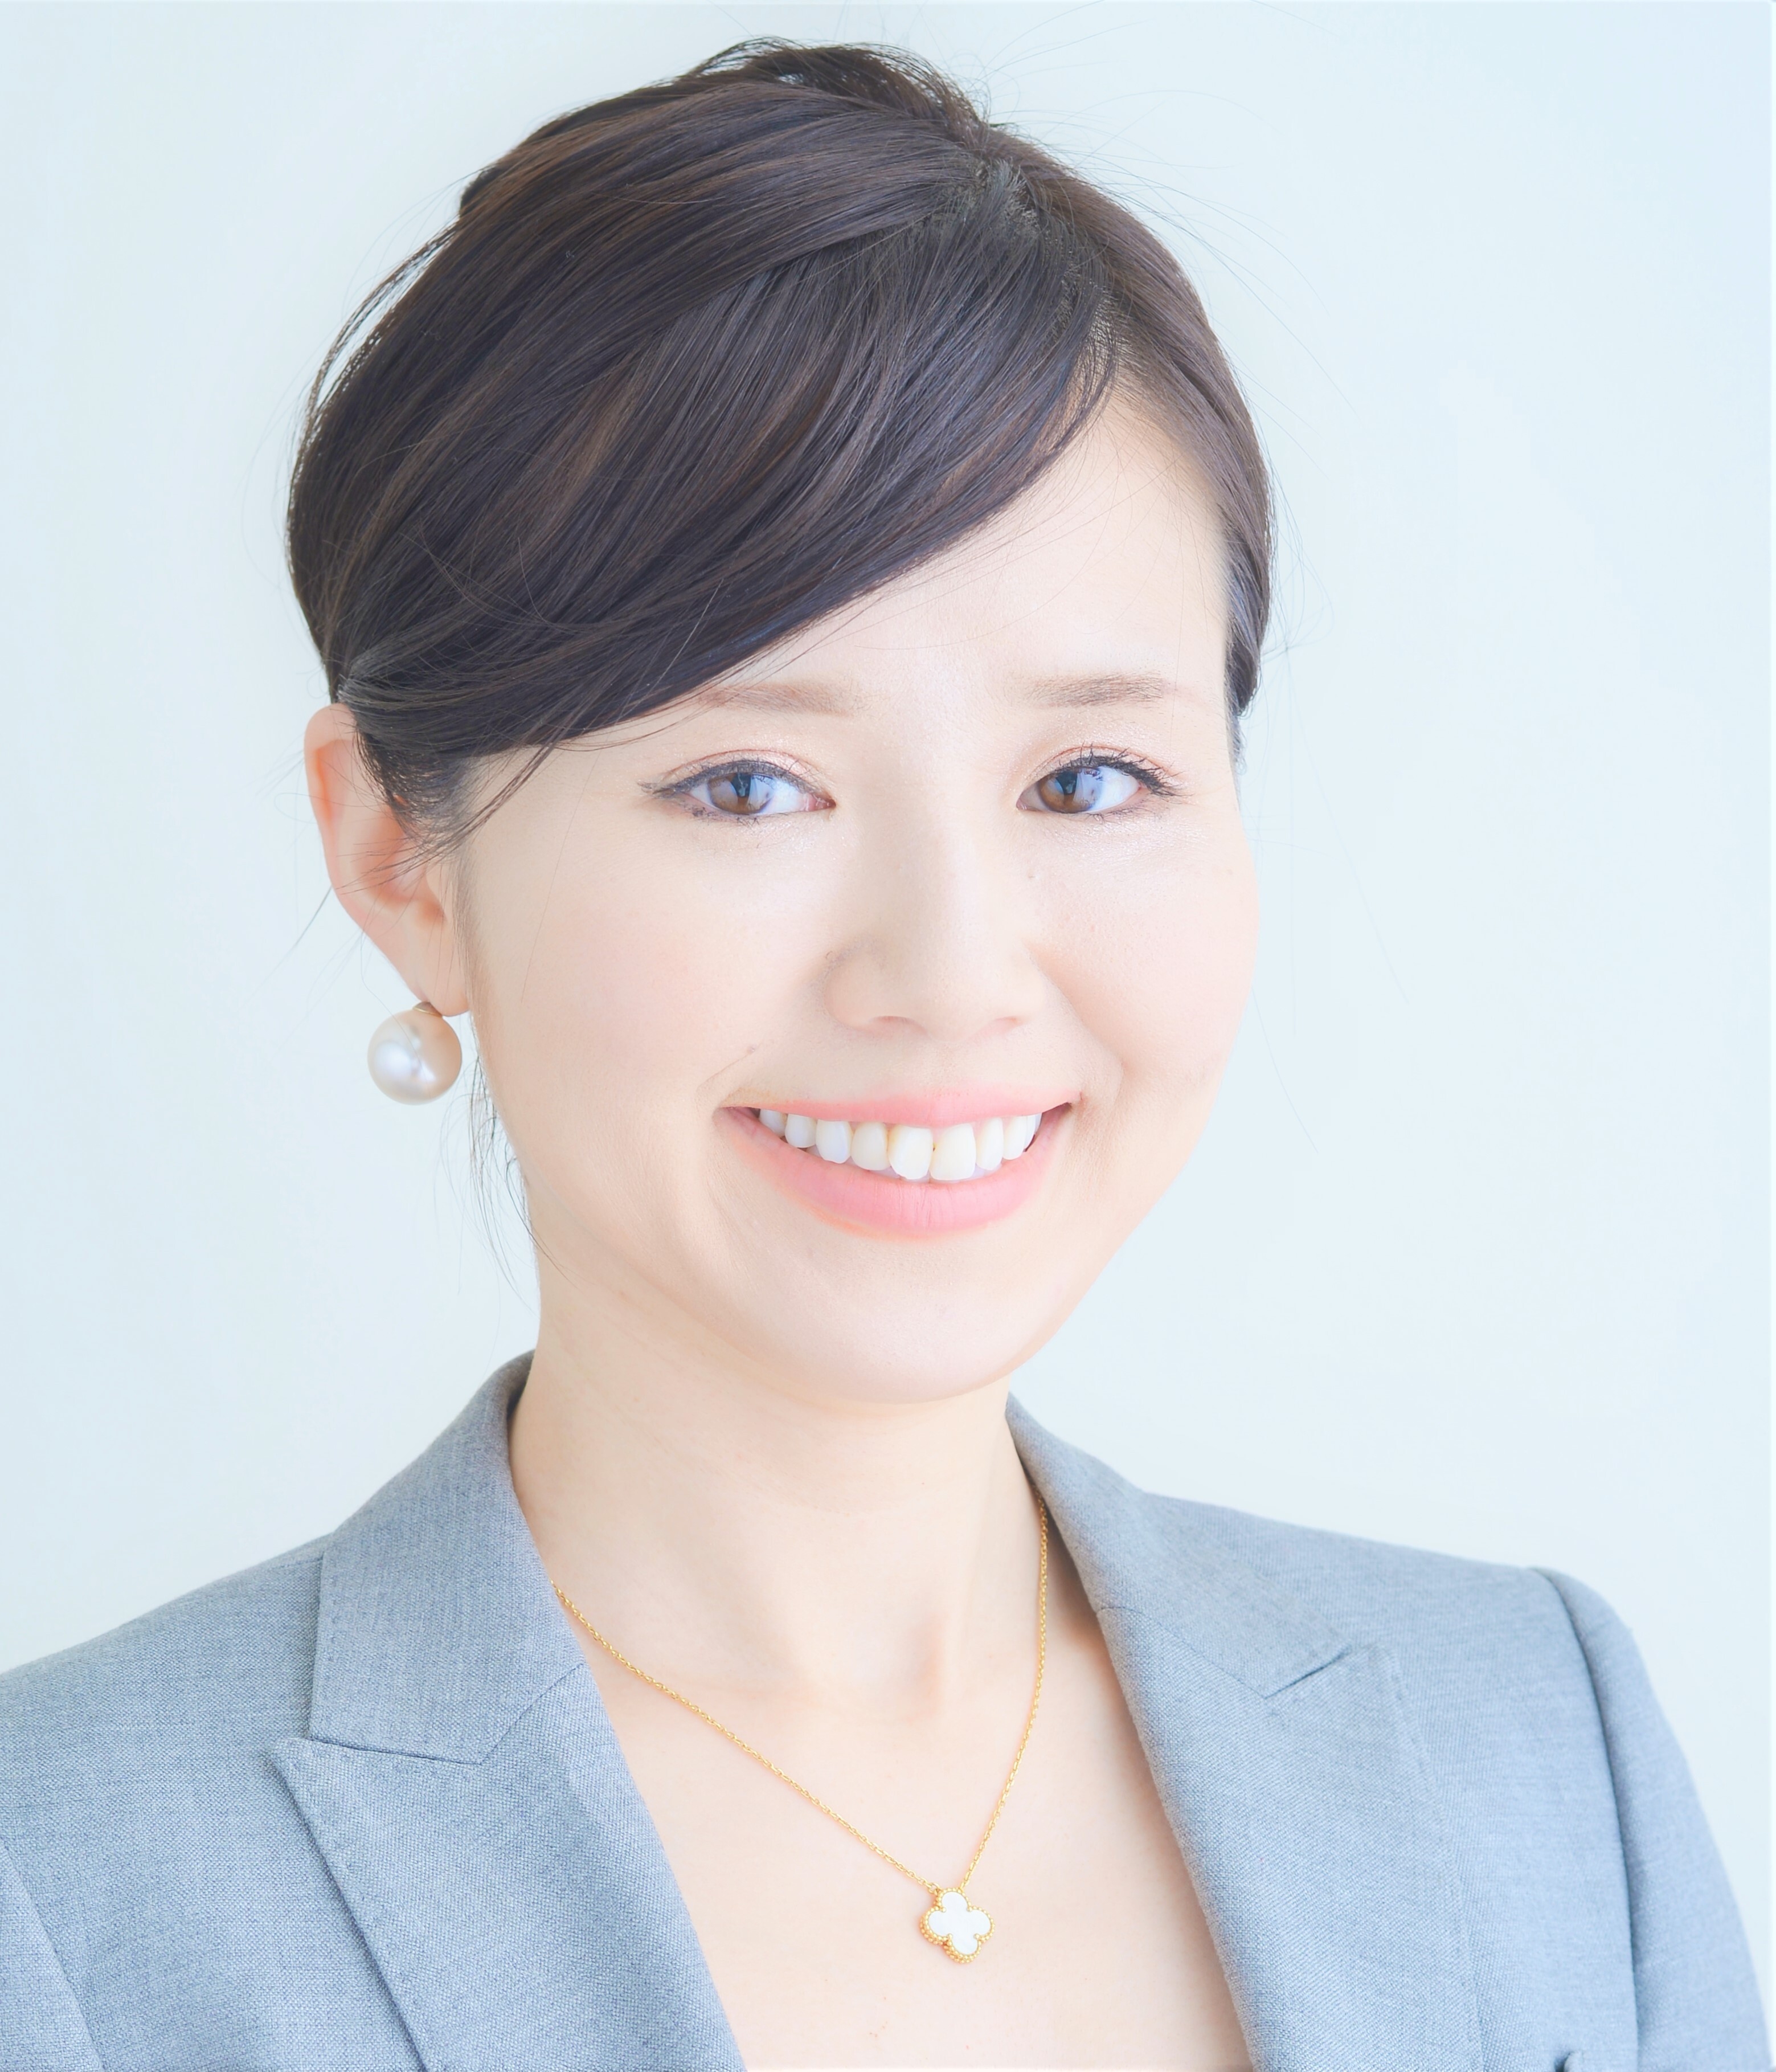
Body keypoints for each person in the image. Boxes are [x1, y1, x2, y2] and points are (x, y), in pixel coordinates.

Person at [0, 40, 1763, 2072]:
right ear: (402, 858)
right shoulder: (66, 1889)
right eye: (748, 784)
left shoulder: (1540, 1745)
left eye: (1089, 778)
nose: (951, 973)